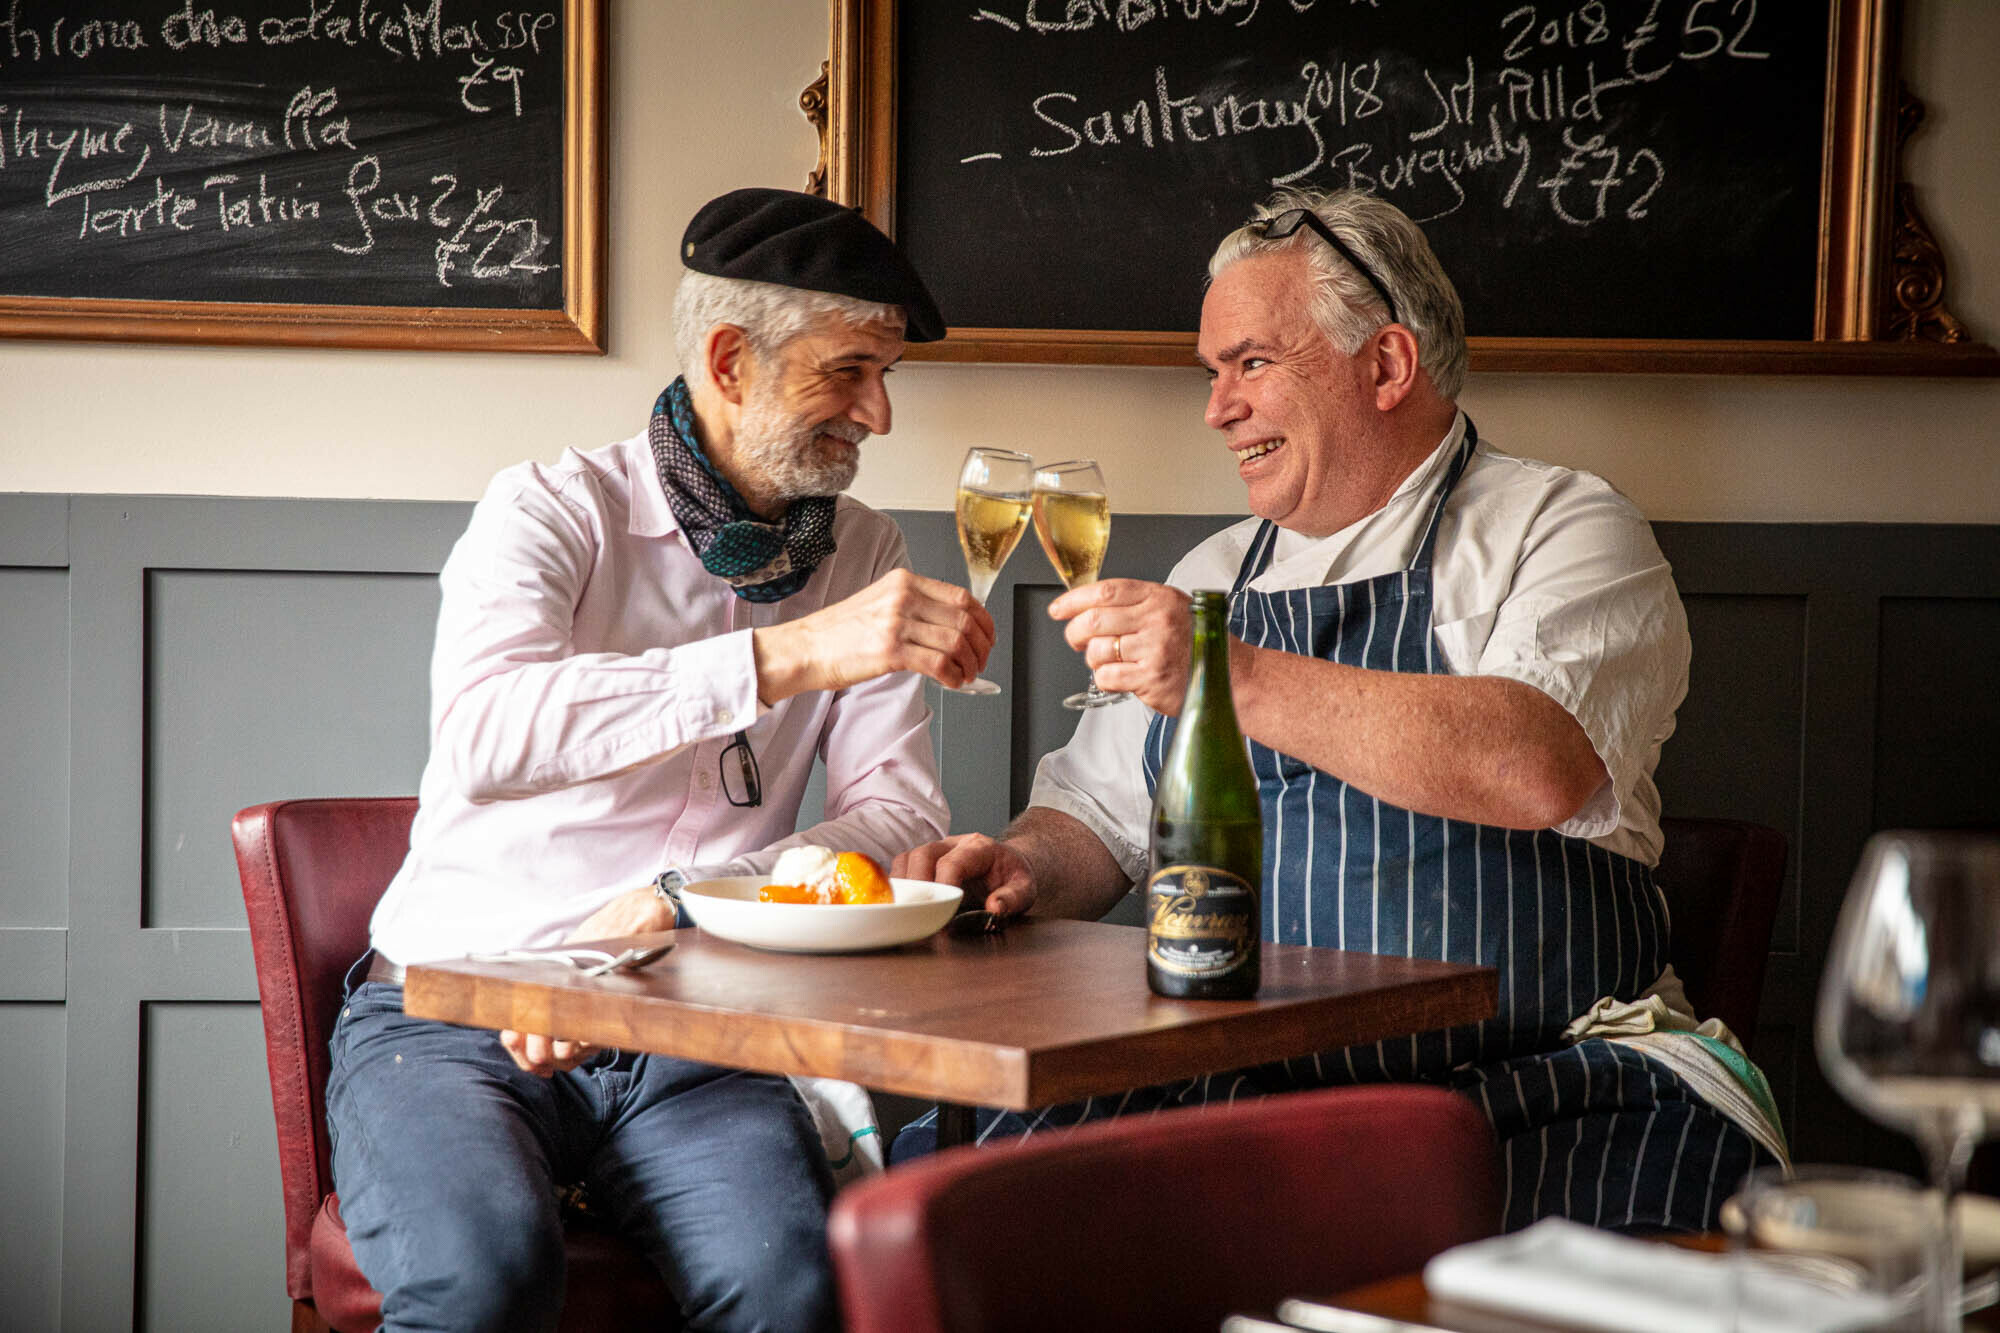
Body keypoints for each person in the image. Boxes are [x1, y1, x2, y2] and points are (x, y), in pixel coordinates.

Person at [895, 186, 1785, 1233]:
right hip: (1230, 1083)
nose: (1216, 407)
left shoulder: (1562, 524)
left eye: (1252, 363)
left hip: (1544, 1078)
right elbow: (1094, 819)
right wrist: (1020, 870)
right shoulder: (1214, 568)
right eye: (1213, 372)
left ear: (1386, 365)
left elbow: (1531, 765)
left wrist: (1221, 670)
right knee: (967, 1215)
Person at [326, 187, 993, 1333]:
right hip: (452, 1017)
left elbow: (894, 814)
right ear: (730, 360)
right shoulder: (546, 510)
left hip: (695, 1027)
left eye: (888, 375)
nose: (878, 413)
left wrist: (686, 900)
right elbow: (488, 730)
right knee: (483, 1287)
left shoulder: (867, 548)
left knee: (793, 1295)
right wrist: (779, 657)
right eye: (847, 371)